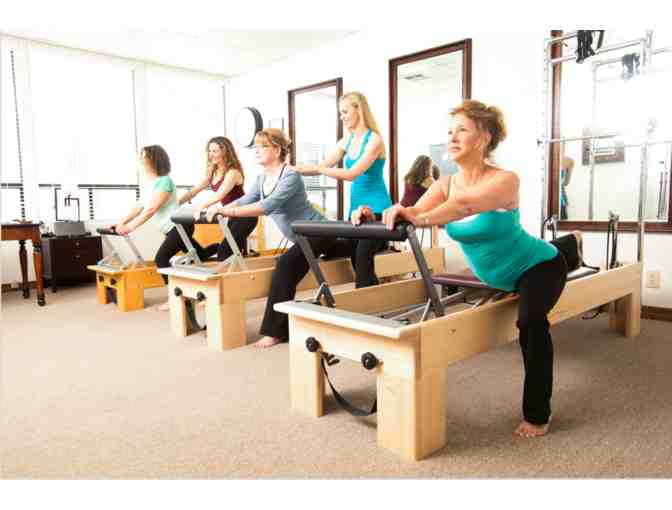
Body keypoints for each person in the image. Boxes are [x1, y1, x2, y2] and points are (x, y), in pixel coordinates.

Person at [381, 100, 583, 438]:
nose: (452, 137)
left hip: (537, 267)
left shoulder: (506, 180)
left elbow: (464, 206)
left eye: (462, 130)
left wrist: (419, 216)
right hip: (499, 272)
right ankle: (571, 244)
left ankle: (537, 414)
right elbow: (410, 211)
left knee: (530, 322)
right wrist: (375, 214)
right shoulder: (445, 184)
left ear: (485, 137)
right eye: (450, 131)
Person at [205, 129, 354, 348]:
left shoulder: (290, 176)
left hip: (317, 230)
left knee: (285, 265)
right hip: (302, 237)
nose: (257, 150)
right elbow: (245, 200)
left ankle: (276, 332)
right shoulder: (262, 178)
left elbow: (267, 206)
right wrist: (217, 207)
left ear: (277, 150)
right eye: (256, 147)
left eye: (263, 146)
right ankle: (363, 244)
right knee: (339, 249)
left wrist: (227, 212)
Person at [293, 91, 392, 288]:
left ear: (358, 110)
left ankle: (365, 301)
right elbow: (322, 165)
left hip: (377, 209)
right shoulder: (347, 140)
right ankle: (373, 295)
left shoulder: (374, 140)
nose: (342, 117)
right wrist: (291, 169)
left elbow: (352, 174)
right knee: (354, 256)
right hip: (355, 212)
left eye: (345, 112)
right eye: (340, 113)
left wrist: (320, 169)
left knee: (362, 255)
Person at [113, 145, 210, 309]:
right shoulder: (150, 185)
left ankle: (174, 298)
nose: (141, 160)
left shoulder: (165, 181)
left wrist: (130, 227)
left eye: (144, 157)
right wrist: (121, 222)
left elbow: (152, 208)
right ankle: (226, 248)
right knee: (200, 255)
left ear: (154, 160)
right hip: (171, 229)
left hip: (179, 226)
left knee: (161, 259)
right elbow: (138, 207)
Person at [185, 136, 258, 261]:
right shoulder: (213, 171)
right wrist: (177, 202)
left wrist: (202, 207)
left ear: (225, 152)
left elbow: (219, 195)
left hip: (245, 216)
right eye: (209, 151)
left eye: (215, 151)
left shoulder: (233, 172)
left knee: (224, 252)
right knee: (232, 254)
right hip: (232, 216)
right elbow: (195, 189)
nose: (210, 154)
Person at [559, 155, 575, 220]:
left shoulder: (570, 161)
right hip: (560, 199)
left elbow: (566, 183)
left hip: (559, 200)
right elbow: (566, 183)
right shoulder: (569, 161)